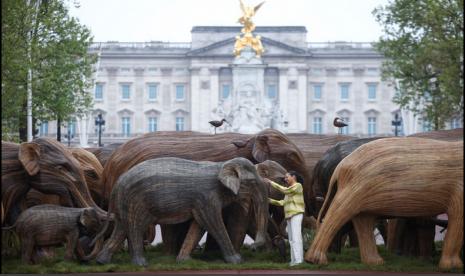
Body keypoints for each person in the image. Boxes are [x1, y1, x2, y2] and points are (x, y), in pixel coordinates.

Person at [264, 171, 305, 266]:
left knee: (296, 238)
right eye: (285, 178)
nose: (285, 179)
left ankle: (299, 261)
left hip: (296, 214)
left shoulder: (297, 186)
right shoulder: (290, 189)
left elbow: (285, 191)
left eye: (287, 177)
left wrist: (271, 182)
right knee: (291, 239)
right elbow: (282, 203)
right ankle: (294, 261)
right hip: (290, 216)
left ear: (293, 177)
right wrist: (268, 199)